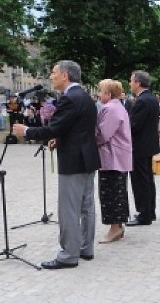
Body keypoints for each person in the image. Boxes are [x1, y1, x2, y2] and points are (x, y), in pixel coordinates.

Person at [12, 60, 100, 269]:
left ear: (65, 76)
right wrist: (60, 138)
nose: (51, 77)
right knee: (86, 206)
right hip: (87, 157)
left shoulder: (70, 98)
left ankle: (69, 254)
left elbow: (53, 128)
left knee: (69, 208)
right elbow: (76, 128)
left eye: (53, 73)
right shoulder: (86, 97)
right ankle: (85, 248)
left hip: (73, 160)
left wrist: (26, 132)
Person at [95, 79, 133, 243]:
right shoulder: (118, 106)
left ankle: (115, 227)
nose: (98, 94)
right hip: (117, 157)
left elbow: (103, 134)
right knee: (117, 191)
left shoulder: (110, 108)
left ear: (108, 94)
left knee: (111, 192)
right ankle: (117, 226)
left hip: (112, 157)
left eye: (100, 91)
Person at [126, 70, 160, 227]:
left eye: (131, 81)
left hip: (139, 146)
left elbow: (134, 126)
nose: (130, 83)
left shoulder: (141, 101)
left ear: (138, 83)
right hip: (149, 145)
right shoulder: (151, 98)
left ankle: (144, 214)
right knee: (148, 180)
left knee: (140, 181)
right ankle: (150, 211)